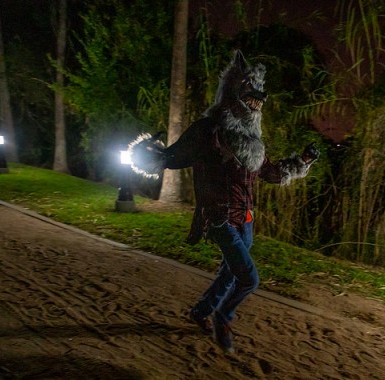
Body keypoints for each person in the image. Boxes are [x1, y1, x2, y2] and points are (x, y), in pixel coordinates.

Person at [133, 50, 319, 353]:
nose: (256, 102)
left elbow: (271, 172)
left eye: (258, 98)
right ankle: (223, 316)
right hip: (219, 218)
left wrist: (304, 160)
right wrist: (148, 152)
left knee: (229, 272)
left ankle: (201, 311)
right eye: (250, 94)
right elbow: (171, 157)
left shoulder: (252, 143)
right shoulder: (208, 131)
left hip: (245, 219)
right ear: (234, 93)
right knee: (249, 278)